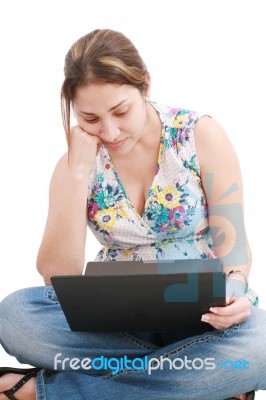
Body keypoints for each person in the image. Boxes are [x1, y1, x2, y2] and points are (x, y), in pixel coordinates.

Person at [0, 28, 264, 400]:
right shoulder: (75, 163)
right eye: (90, 118)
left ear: (145, 87)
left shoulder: (199, 134)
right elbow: (57, 276)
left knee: (260, 347)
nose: (110, 131)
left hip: (201, 320)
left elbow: (234, 248)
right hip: (115, 322)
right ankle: (206, 380)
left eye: (121, 111)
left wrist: (235, 290)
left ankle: (43, 392)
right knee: (14, 317)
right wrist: (77, 173)